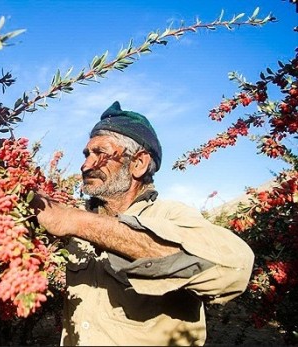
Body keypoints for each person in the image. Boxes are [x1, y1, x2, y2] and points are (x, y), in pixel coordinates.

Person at [33, 101, 254, 346]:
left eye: (100, 153)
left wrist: (76, 222)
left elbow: (234, 269)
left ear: (138, 163)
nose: (85, 165)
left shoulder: (170, 215)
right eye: (86, 154)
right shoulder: (77, 217)